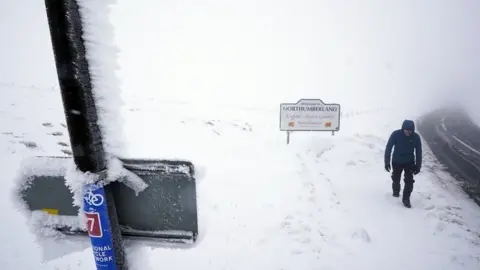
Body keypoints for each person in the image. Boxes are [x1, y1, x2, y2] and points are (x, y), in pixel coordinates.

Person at [384, 119, 422, 208]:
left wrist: (418, 166)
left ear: (413, 130)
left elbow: (419, 152)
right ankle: (396, 191)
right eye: (406, 130)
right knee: (396, 178)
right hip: (397, 161)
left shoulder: (416, 137)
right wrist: (387, 162)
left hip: (409, 162)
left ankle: (406, 199)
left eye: (410, 131)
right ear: (403, 129)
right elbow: (388, 148)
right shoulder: (396, 134)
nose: (408, 132)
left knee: (409, 181)